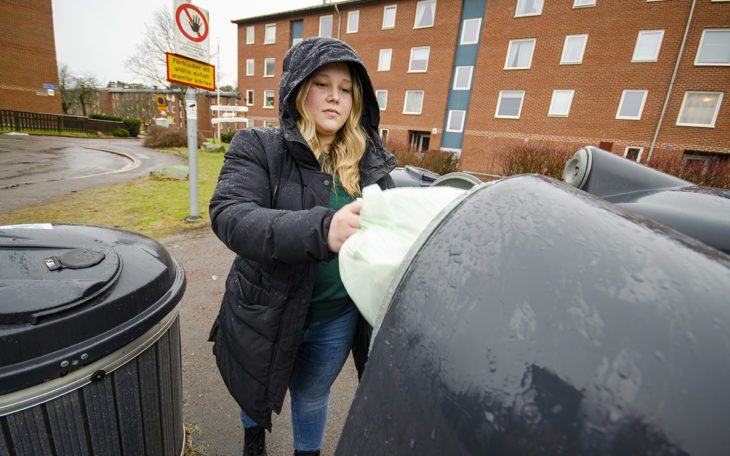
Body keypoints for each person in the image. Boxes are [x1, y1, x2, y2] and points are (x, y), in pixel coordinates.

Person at [208, 37, 397, 456]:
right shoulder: (259, 146)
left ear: (357, 99)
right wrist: (323, 229)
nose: (335, 97)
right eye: (321, 84)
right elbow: (231, 214)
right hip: (266, 309)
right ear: (297, 90)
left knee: (311, 398)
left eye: (345, 89)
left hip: (335, 318)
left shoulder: (372, 164)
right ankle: (252, 443)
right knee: (255, 387)